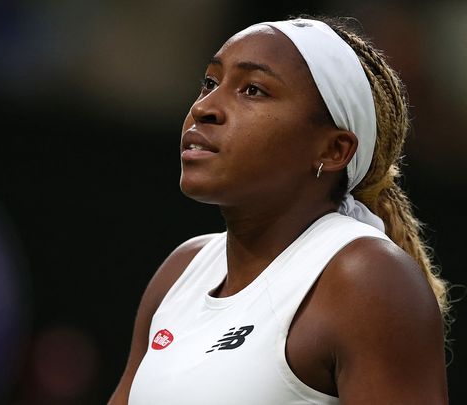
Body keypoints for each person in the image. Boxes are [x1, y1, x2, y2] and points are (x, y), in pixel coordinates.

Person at [108, 16, 449, 404]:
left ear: (333, 150)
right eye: (209, 82)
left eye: (252, 89)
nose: (205, 108)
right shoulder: (182, 270)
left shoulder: (366, 278)